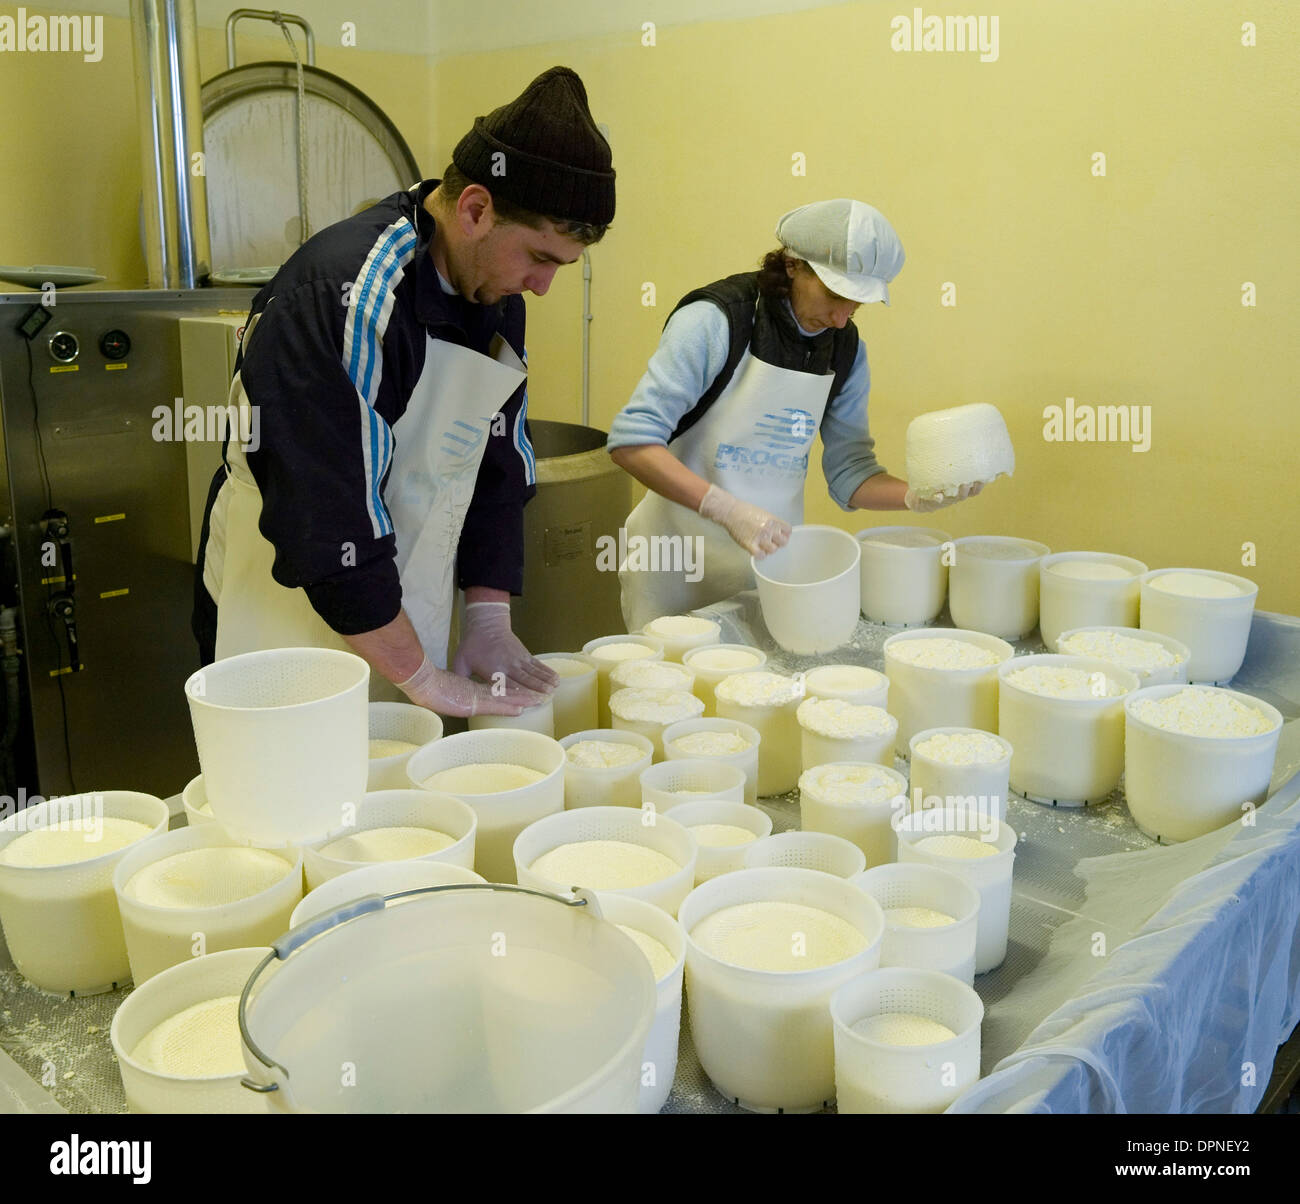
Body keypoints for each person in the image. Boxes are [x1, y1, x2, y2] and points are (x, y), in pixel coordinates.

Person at [192, 67, 615, 716]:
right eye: (539, 258)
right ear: (476, 209)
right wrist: (424, 678)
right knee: (297, 792)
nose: (542, 286)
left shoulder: (492, 291)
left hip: (399, 593)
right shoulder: (352, 298)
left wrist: (487, 619)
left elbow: (497, 464)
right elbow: (328, 520)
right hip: (291, 603)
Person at [607, 197, 980, 632]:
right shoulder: (715, 321)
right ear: (793, 266)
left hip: (766, 571)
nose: (841, 318)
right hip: (673, 567)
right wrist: (725, 508)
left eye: (856, 305)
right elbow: (631, 443)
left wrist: (917, 496)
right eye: (834, 296)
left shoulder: (845, 350)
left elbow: (851, 475)